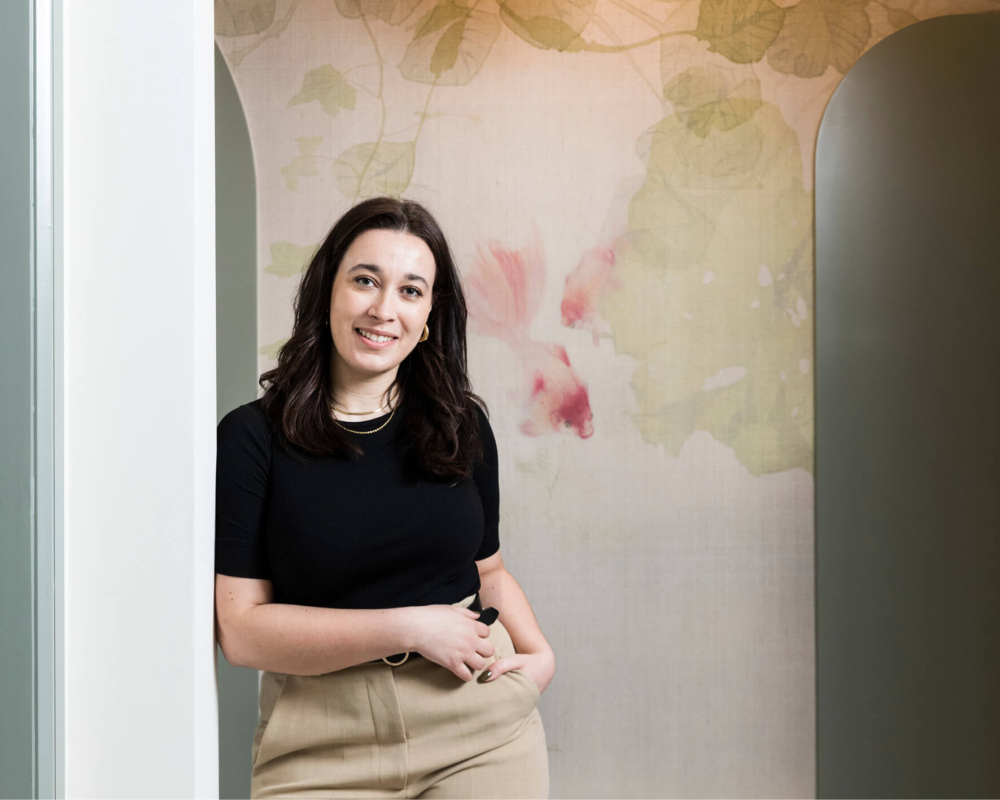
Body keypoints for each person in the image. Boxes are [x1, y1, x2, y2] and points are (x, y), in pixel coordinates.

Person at [214, 196, 554, 798]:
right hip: (318, 740)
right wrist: (410, 628)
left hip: (478, 727)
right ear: (328, 292)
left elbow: (489, 569)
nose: (383, 309)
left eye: (410, 290)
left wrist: (539, 655)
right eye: (365, 280)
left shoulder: (462, 424)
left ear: (428, 316)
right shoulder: (251, 438)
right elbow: (241, 632)